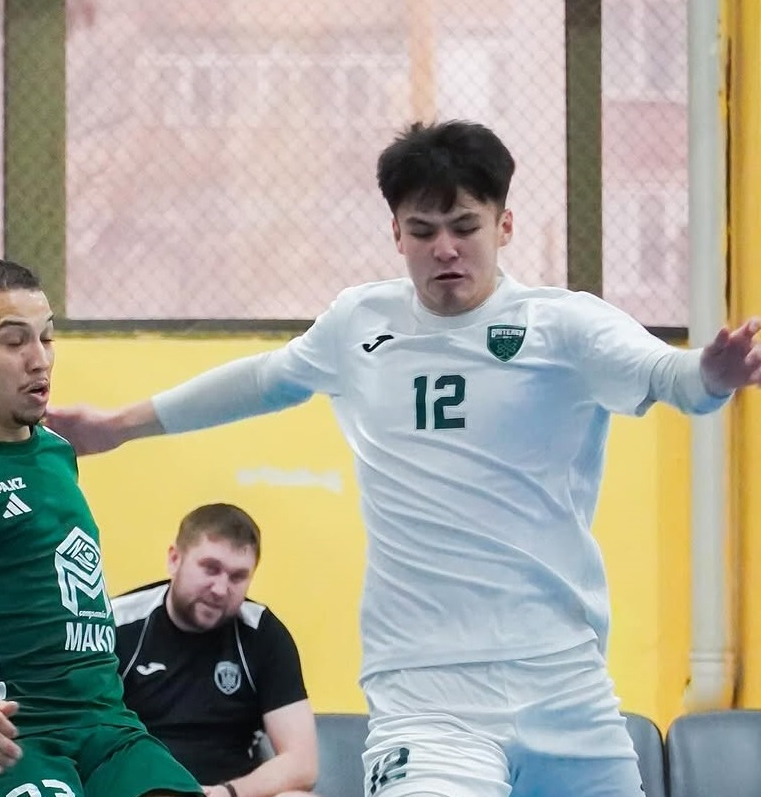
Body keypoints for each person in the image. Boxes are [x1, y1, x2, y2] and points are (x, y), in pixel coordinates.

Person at [44, 121, 761, 797]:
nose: (444, 248)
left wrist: (713, 373)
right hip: (427, 695)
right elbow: (265, 379)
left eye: (464, 227)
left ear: (504, 226)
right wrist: (117, 425)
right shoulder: (360, 324)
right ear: (396, 234)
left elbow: (670, 376)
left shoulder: (565, 326)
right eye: (422, 230)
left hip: (564, 686)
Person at [0, 258, 202, 797]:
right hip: (11, 742)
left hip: (108, 732)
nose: (39, 359)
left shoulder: (57, 453)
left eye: (46, 338)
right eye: (14, 341)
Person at [113, 503, 318, 797]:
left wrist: (229, 792)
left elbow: (302, 764)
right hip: (139, 786)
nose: (221, 589)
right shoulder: (118, 624)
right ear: (174, 559)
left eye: (237, 577)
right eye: (210, 569)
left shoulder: (262, 633)